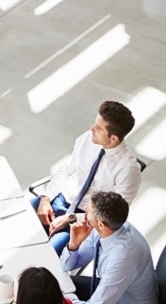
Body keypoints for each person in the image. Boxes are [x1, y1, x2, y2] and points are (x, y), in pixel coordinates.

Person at [32, 100, 142, 253]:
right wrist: (45, 198)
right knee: (14, 221)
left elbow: (112, 215)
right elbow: (68, 170)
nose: (92, 129)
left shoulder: (128, 170)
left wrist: (71, 218)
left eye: (98, 128)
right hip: (60, 199)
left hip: (83, 220)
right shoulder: (88, 138)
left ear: (114, 139)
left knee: (46, 254)